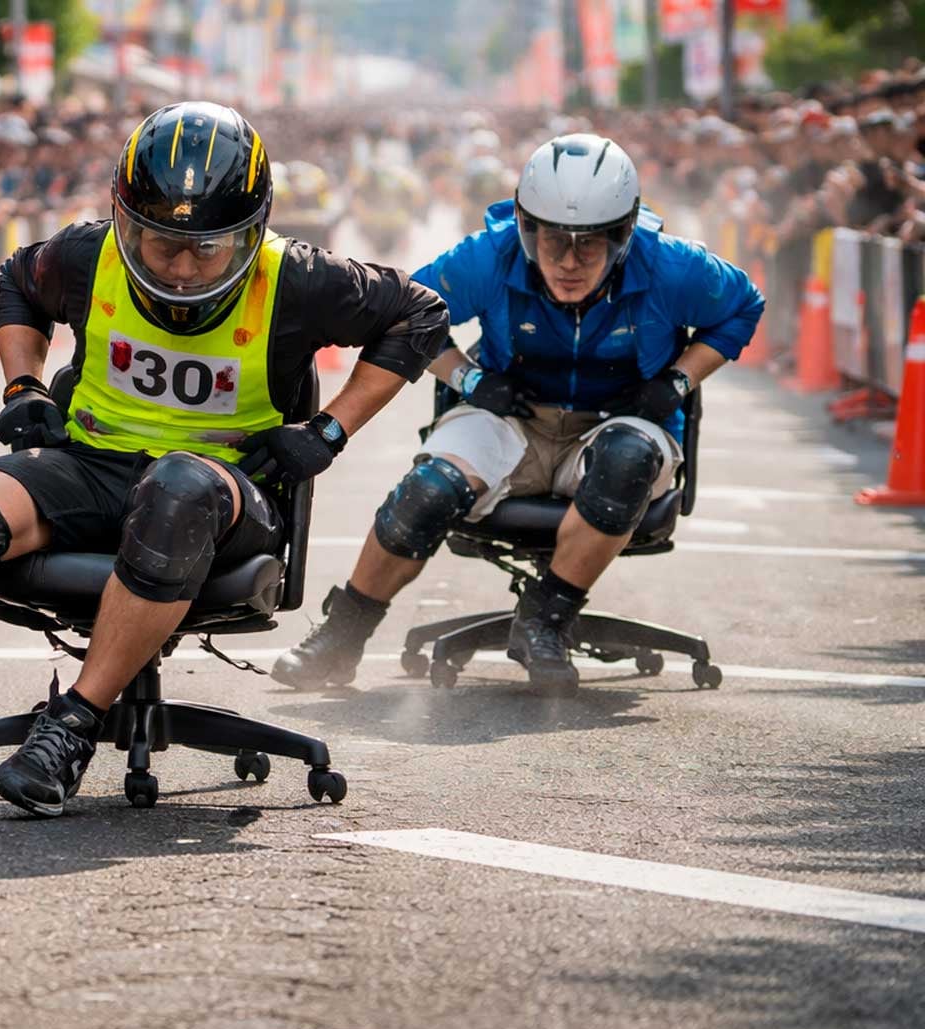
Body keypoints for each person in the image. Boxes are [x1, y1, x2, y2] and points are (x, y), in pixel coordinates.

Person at [0, 102, 449, 816]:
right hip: (95, 466)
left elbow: (418, 314)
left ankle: (73, 725)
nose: (179, 267)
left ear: (251, 232)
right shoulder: (88, 255)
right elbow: (15, 282)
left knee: (176, 487)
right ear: (123, 219)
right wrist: (22, 384)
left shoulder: (299, 277)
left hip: (226, 489)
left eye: (207, 249)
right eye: (158, 242)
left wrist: (330, 430)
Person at [271, 134, 764, 697]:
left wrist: (677, 381)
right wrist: (470, 378)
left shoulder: (674, 265)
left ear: (624, 237)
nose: (570, 263)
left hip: (621, 425)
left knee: (628, 460)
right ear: (528, 229)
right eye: (554, 242)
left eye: (590, 246)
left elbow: (744, 306)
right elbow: (409, 313)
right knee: (427, 490)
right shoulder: (492, 253)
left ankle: (545, 620)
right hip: (512, 423)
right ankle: (343, 632)